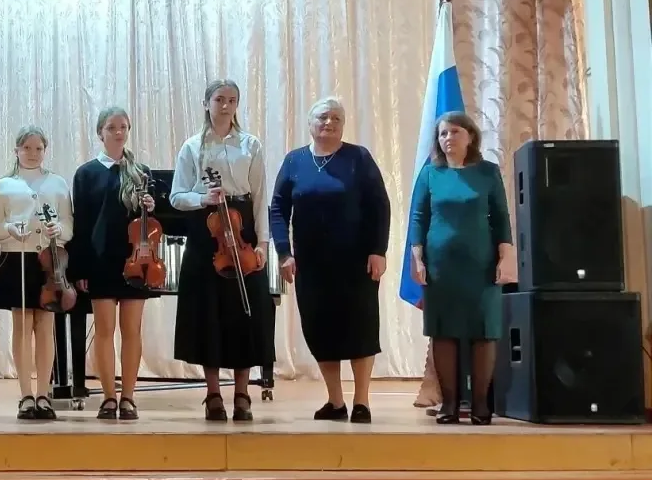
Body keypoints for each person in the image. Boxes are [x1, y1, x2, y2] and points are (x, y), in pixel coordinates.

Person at [269, 97, 390, 424]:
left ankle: (361, 402)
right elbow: (278, 208)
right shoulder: (294, 161)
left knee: (360, 329)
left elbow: (380, 206)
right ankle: (335, 401)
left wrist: (378, 250)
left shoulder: (358, 157)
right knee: (320, 330)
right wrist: (284, 252)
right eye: (323, 117)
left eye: (337, 118)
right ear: (310, 123)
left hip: (356, 262)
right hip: (311, 264)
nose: (330, 123)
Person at [169, 80, 275, 422]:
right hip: (208, 231)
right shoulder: (192, 146)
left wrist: (262, 243)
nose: (225, 105)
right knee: (208, 314)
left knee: (246, 313)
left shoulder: (251, 144)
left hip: (242, 227)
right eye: (219, 99)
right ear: (207, 103)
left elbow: (260, 196)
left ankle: (242, 393)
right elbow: (176, 196)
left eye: (231, 100)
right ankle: (213, 393)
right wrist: (203, 198)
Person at [409, 111, 513, 425]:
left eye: (454, 132)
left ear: (470, 136)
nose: (448, 138)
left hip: (482, 264)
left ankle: (480, 405)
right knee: (443, 331)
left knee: (484, 331)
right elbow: (418, 217)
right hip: (440, 265)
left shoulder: (487, 172)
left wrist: (505, 256)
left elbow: (501, 217)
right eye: (443, 134)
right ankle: (450, 405)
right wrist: (417, 258)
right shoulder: (431, 173)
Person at [69, 106, 156, 421]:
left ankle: (128, 397)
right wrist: (79, 269)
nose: (118, 132)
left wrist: (150, 205)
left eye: (123, 127)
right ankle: (108, 397)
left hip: (135, 259)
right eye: (111, 127)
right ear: (100, 133)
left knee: (132, 330)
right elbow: (81, 225)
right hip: (100, 260)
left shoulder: (141, 172)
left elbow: (153, 225)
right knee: (104, 330)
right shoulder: (86, 173)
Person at [0, 126, 73, 420]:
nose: (33, 153)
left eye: (38, 148)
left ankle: (43, 394)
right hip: (17, 258)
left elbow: (69, 225)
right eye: (26, 148)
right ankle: (26, 394)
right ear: (16, 150)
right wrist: (10, 229)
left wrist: (58, 229)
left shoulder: (58, 183)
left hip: (48, 261)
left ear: (45, 151)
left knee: (45, 324)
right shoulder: (3, 185)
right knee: (22, 325)